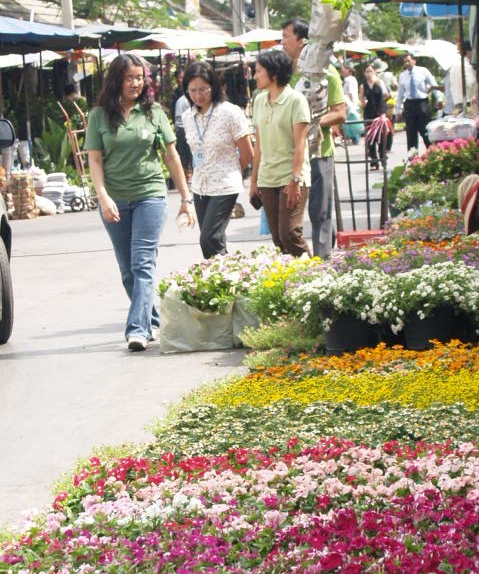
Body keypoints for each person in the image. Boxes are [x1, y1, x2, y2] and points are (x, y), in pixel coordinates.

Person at [84, 52, 195, 352]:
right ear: (116, 80)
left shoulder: (153, 112)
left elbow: (172, 156)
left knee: (142, 263)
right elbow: (94, 160)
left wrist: (186, 198)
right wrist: (103, 196)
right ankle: (153, 321)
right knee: (128, 271)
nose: (136, 84)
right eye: (130, 78)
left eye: (140, 78)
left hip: (150, 195)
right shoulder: (99, 116)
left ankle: (137, 330)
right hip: (115, 200)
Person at [282, 17, 345, 258]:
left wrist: (312, 124)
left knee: (320, 211)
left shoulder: (326, 72)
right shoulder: (283, 72)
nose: (282, 42)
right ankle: (294, 260)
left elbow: (340, 113)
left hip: (319, 153)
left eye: (286, 36)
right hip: (289, 154)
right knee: (288, 216)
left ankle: (323, 261)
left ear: (302, 41)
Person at [181, 60, 253, 259]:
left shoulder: (229, 112)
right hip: (200, 185)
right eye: (192, 90)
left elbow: (247, 153)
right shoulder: (188, 117)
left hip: (224, 184)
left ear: (213, 86)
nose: (198, 95)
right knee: (213, 243)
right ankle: (227, 282)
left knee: (209, 238)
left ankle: (231, 277)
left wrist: (232, 171)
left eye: (203, 89)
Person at [250, 47, 311, 257]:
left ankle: (317, 274)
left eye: (258, 71)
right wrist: (253, 181)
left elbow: (300, 144)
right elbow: (258, 144)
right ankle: (293, 282)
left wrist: (295, 180)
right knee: (277, 238)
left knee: (290, 233)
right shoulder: (258, 100)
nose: (254, 76)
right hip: (267, 179)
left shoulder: (296, 100)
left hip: (291, 178)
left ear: (273, 74)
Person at [394, 51, 438, 152]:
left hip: (422, 103)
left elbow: (433, 85)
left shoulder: (423, 71)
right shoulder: (402, 76)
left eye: (408, 61)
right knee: (411, 134)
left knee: (425, 131)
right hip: (410, 104)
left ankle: (431, 154)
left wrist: (439, 99)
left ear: (414, 61)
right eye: (405, 62)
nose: (407, 63)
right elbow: (400, 94)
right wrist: (398, 110)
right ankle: (413, 159)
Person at [361, 62, 392, 169]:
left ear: (374, 72)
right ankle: (374, 161)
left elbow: (386, 95)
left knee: (381, 137)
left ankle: (383, 158)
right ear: (364, 73)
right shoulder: (363, 86)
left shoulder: (380, 82)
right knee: (370, 139)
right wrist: (363, 101)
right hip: (369, 113)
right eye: (367, 71)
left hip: (380, 113)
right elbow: (361, 99)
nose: (369, 73)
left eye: (370, 71)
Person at [340, 61, 363, 144]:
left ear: (349, 70)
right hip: (352, 103)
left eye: (345, 69)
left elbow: (350, 93)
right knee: (352, 121)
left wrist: (350, 104)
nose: (343, 71)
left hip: (350, 103)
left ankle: (355, 138)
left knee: (352, 121)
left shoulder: (349, 80)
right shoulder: (352, 79)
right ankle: (355, 138)